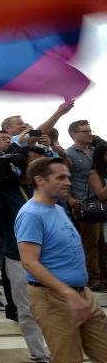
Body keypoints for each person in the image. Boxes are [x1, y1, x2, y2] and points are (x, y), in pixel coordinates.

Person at [16, 156, 107, 363]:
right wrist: (67, 292)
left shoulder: (57, 207)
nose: (68, 182)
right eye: (60, 177)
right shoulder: (31, 214)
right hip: (53, 298)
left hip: (81, 294)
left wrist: (79, 293)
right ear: (40, 180)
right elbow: (29, 261)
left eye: (68, 176)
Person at [0, 146, 53, 363]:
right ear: (21, 163)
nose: (39, 167)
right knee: (27, 310)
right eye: (34, 162)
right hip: (18, 255)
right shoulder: (6, 186)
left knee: (55, 309)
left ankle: (59, 353)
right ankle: (40, 358)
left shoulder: (49, 188)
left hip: (51, 256)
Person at [65, 119, 106, 292]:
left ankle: (104, 278)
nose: (89, 133)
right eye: (85, 131)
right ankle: (94, 280)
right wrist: (70, 199)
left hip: (102, 202)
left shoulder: (97, 151)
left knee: (102, 243)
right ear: (73, 134)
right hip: (83, 204)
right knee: (90, 244)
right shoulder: (69, 154)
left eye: (90, 130)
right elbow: (64, 178)